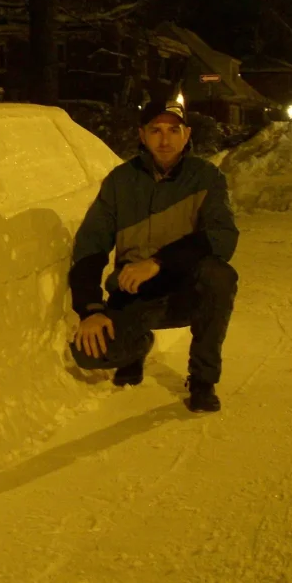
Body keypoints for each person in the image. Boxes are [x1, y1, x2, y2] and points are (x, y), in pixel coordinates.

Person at [67, 97, 239, 412]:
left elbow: (222, 237)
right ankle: (135, 347)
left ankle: (203, 380)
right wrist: (90, 309)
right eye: (155, 130)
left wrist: (158, 263)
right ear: (142, 135)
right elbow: (91, 245)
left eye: (173, 130)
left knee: (220, 277)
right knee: (88, 353)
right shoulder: (121, 181)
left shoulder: (206, 178)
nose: (164, 139)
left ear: (187, 135)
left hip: (185, 292)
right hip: (135, 294)